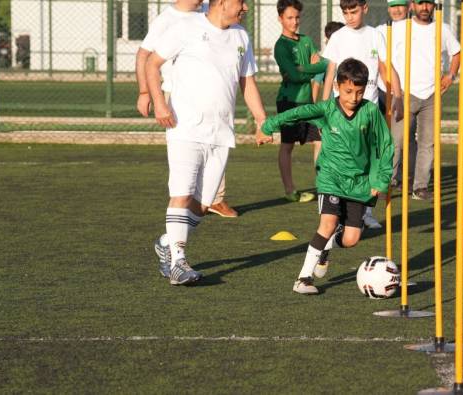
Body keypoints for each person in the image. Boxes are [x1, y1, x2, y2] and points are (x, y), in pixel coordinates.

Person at [146, 0, 272, 285]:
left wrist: (262, 120)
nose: (247, 9)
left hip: (221, 133)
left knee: (203, 204)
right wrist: (158, 103)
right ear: (223, 2)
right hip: (184, 128)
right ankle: (178, 264)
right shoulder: (187, 25)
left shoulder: (241, 35)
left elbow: (247, 82)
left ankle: (167, 242)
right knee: (181, 192)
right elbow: (152, 63)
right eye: (242, 3)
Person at [261, 58, 394, 295]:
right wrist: (269, 126)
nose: (353, 97)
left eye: (359, 92)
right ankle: (303, 279)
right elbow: (298, 113)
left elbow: (384, 145)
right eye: (348, 91)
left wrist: (380, 179)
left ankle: (325, 249)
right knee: (328, 223)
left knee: (352, 238)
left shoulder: (371, 112)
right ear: (336, 86)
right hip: (331, 178)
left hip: (359, 182)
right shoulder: (327, 109)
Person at [135, 0, 239, 219]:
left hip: (208, 97)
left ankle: (214, 199)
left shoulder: (206, 13)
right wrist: (146, 93)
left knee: (215, 144)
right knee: (187, 161)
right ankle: (183, 202)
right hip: (178, 95)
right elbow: (145, 55)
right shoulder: (166, 20)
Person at [320, 0, 404, 230]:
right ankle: (339, 212)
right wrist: (324, 107)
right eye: (345, 12)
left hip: (369, 108)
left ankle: (366, 212)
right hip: (342, 110)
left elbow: (386, 67)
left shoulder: (376, 35)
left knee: (371, 163)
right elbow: (330, 73)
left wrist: (397, 94)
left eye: (353, 11)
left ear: (364, 8)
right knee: (345, 161)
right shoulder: (338, 37)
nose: (349, 16)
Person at [391, 0, 460, 200]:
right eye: (420, 3)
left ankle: (420, 186)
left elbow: (456, 53)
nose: (425, 8)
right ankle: (390, 180)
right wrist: (394, 89)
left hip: (431, 95)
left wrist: (450, 75)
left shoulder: (443, 29)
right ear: (412, 5)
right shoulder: (400, 28)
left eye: (429, 4)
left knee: (427, 143)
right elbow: (384, 56)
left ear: (434, 6)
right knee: (397, 140)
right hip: (404, 93)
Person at [273, 0, 328, 203]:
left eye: (297, 17)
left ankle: (323, 185)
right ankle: (290, 190)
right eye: (290, 17)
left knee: (320, 142)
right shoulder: (281, 46)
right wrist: (308, 69)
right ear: (280, 19)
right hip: (289, 102)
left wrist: (302, 70)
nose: (295, 21)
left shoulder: (306, 40)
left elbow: (322, 66)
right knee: (287, 145)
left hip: (309, 103)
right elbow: (295, 76)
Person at [376, 0, 413, 190]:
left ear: (409, 6)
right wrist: (390, 86)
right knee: (387, 137)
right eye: (393, 6)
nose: (397, 10)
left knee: (403, 137)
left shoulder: (416, 28)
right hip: (385, 89)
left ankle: (403, 176)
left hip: (410, 89)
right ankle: (388, 176)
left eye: (401, 5)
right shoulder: (380, 30)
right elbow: (380, 61)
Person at [311, 21, 345, 105]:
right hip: (332, 106)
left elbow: (316, 85)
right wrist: (311, 109)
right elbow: (316, 85)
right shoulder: (325, 60)